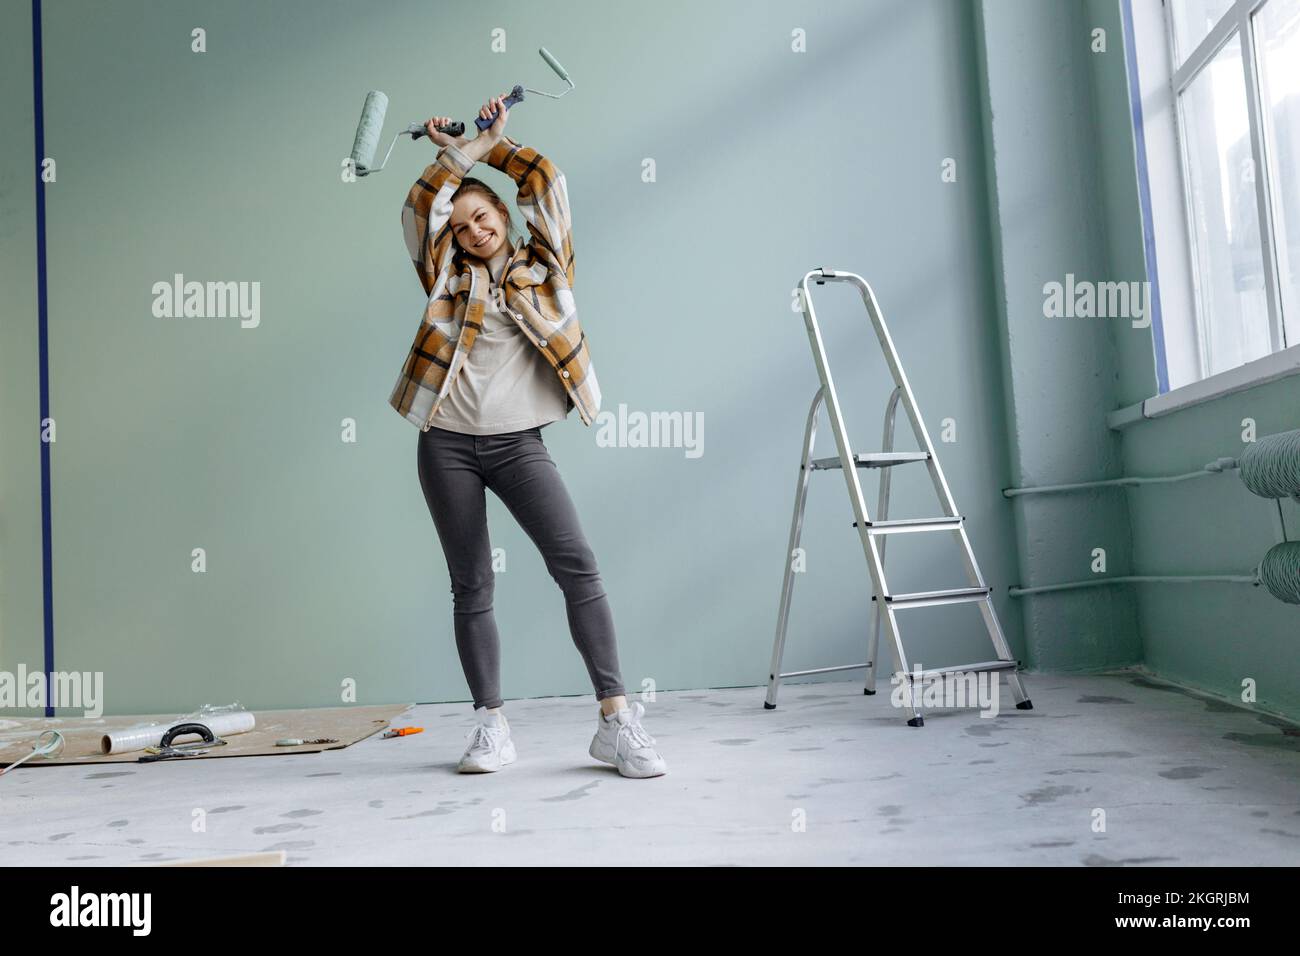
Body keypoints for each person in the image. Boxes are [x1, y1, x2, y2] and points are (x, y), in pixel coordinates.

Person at [391, 94, 667, 779]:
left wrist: (494, 143)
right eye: (460, 227)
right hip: (446, 443)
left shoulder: (546, 267)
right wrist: (456, 156)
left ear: (502, 217)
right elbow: (418, 207)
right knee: (472, 585)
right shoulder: (444, 276)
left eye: (481, 217)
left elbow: (545, 181)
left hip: (518, 444)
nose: (473, 231)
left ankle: (616, 720)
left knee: (576, 564)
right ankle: (491, 727)